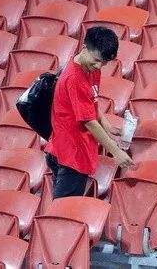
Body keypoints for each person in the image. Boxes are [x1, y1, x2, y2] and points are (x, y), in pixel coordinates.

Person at [45, 26, 134, 199]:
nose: (99, 66)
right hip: (71, 156)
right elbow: (89, 122)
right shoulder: (75, 77)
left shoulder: (91, 68)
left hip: (72, 150)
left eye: (104, 63)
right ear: (85, 47)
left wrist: (107, 125)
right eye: (96, 60)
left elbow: (91, 100)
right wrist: (116, 152)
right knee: (65, 215)